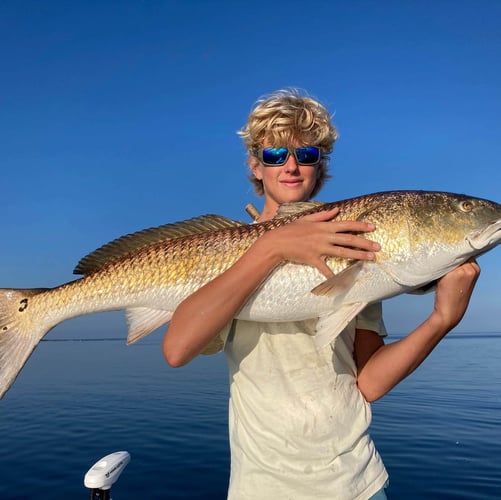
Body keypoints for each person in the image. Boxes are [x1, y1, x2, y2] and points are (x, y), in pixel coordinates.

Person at [162, 89, 480, 499]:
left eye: (306, 154)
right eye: (276, 155)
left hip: (359, 485)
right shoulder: (226, 252)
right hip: (261, 488)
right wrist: (271, 247)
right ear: (256, 167)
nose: (292, 167)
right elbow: (176, 349)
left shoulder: (355, 243)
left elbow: (368, 385)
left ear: (320, 165)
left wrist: (441, 320)